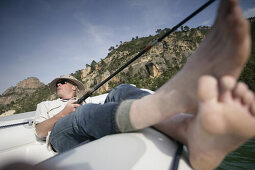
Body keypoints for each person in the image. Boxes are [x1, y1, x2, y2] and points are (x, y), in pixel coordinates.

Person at [34, 0, 255, 169]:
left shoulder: (87, 98)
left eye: (63, 82)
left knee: (121, 90)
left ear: (75, 87)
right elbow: (39, 131)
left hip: (91, 116)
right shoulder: (45, 104)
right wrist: (61, 114)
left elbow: (102, 104)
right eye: (57, 83)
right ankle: (172, 99)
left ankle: (190, 131)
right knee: (85, 114)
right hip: (60, 134)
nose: (59, 85)